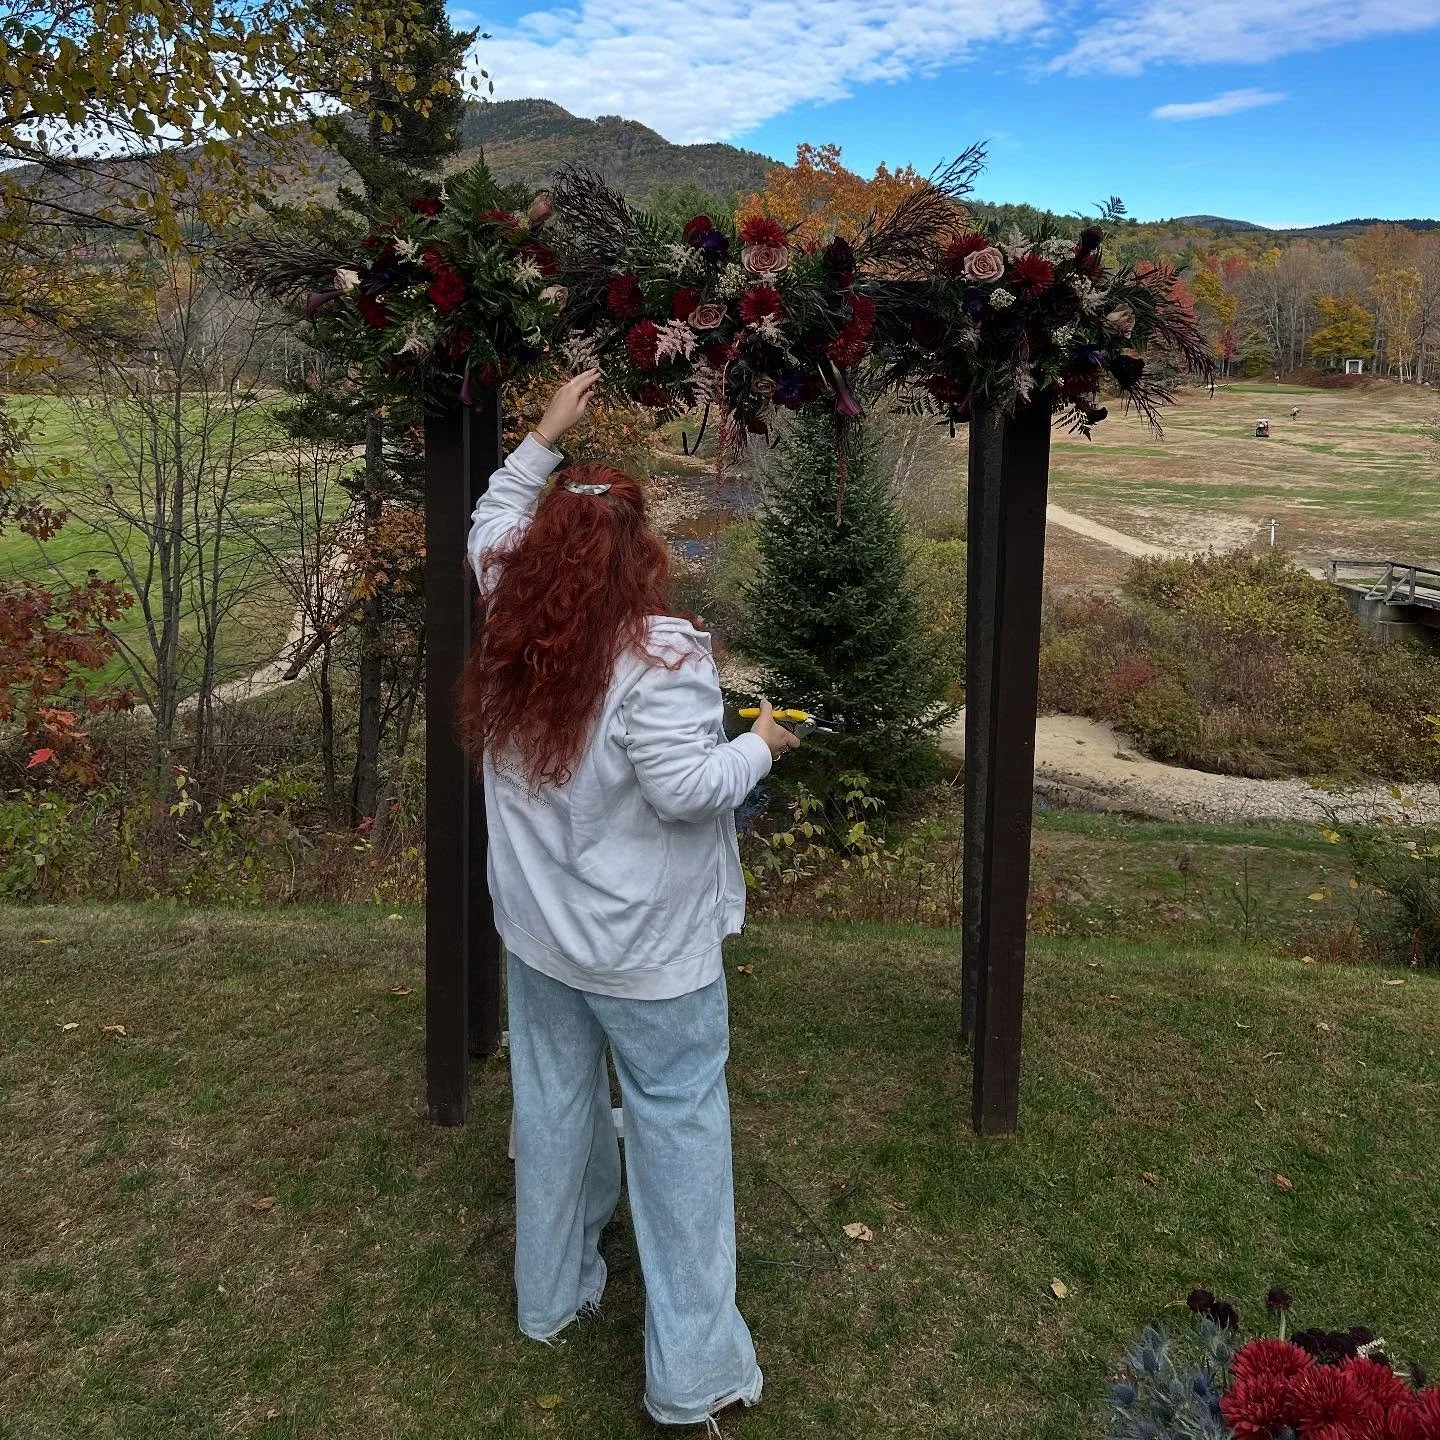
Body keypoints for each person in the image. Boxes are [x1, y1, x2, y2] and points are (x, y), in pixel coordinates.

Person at [460, 370, 800, 1430]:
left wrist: (542, 438)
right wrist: (762, 743)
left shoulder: (509, 609)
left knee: (553, 1104)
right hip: (647, 954)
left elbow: (492, 520)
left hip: (539, 935)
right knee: (679, 1131)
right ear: (643, 553)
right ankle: (692, 1373)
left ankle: (552, 1294)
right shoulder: (664, 659)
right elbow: (688, 791)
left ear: (545, 549)